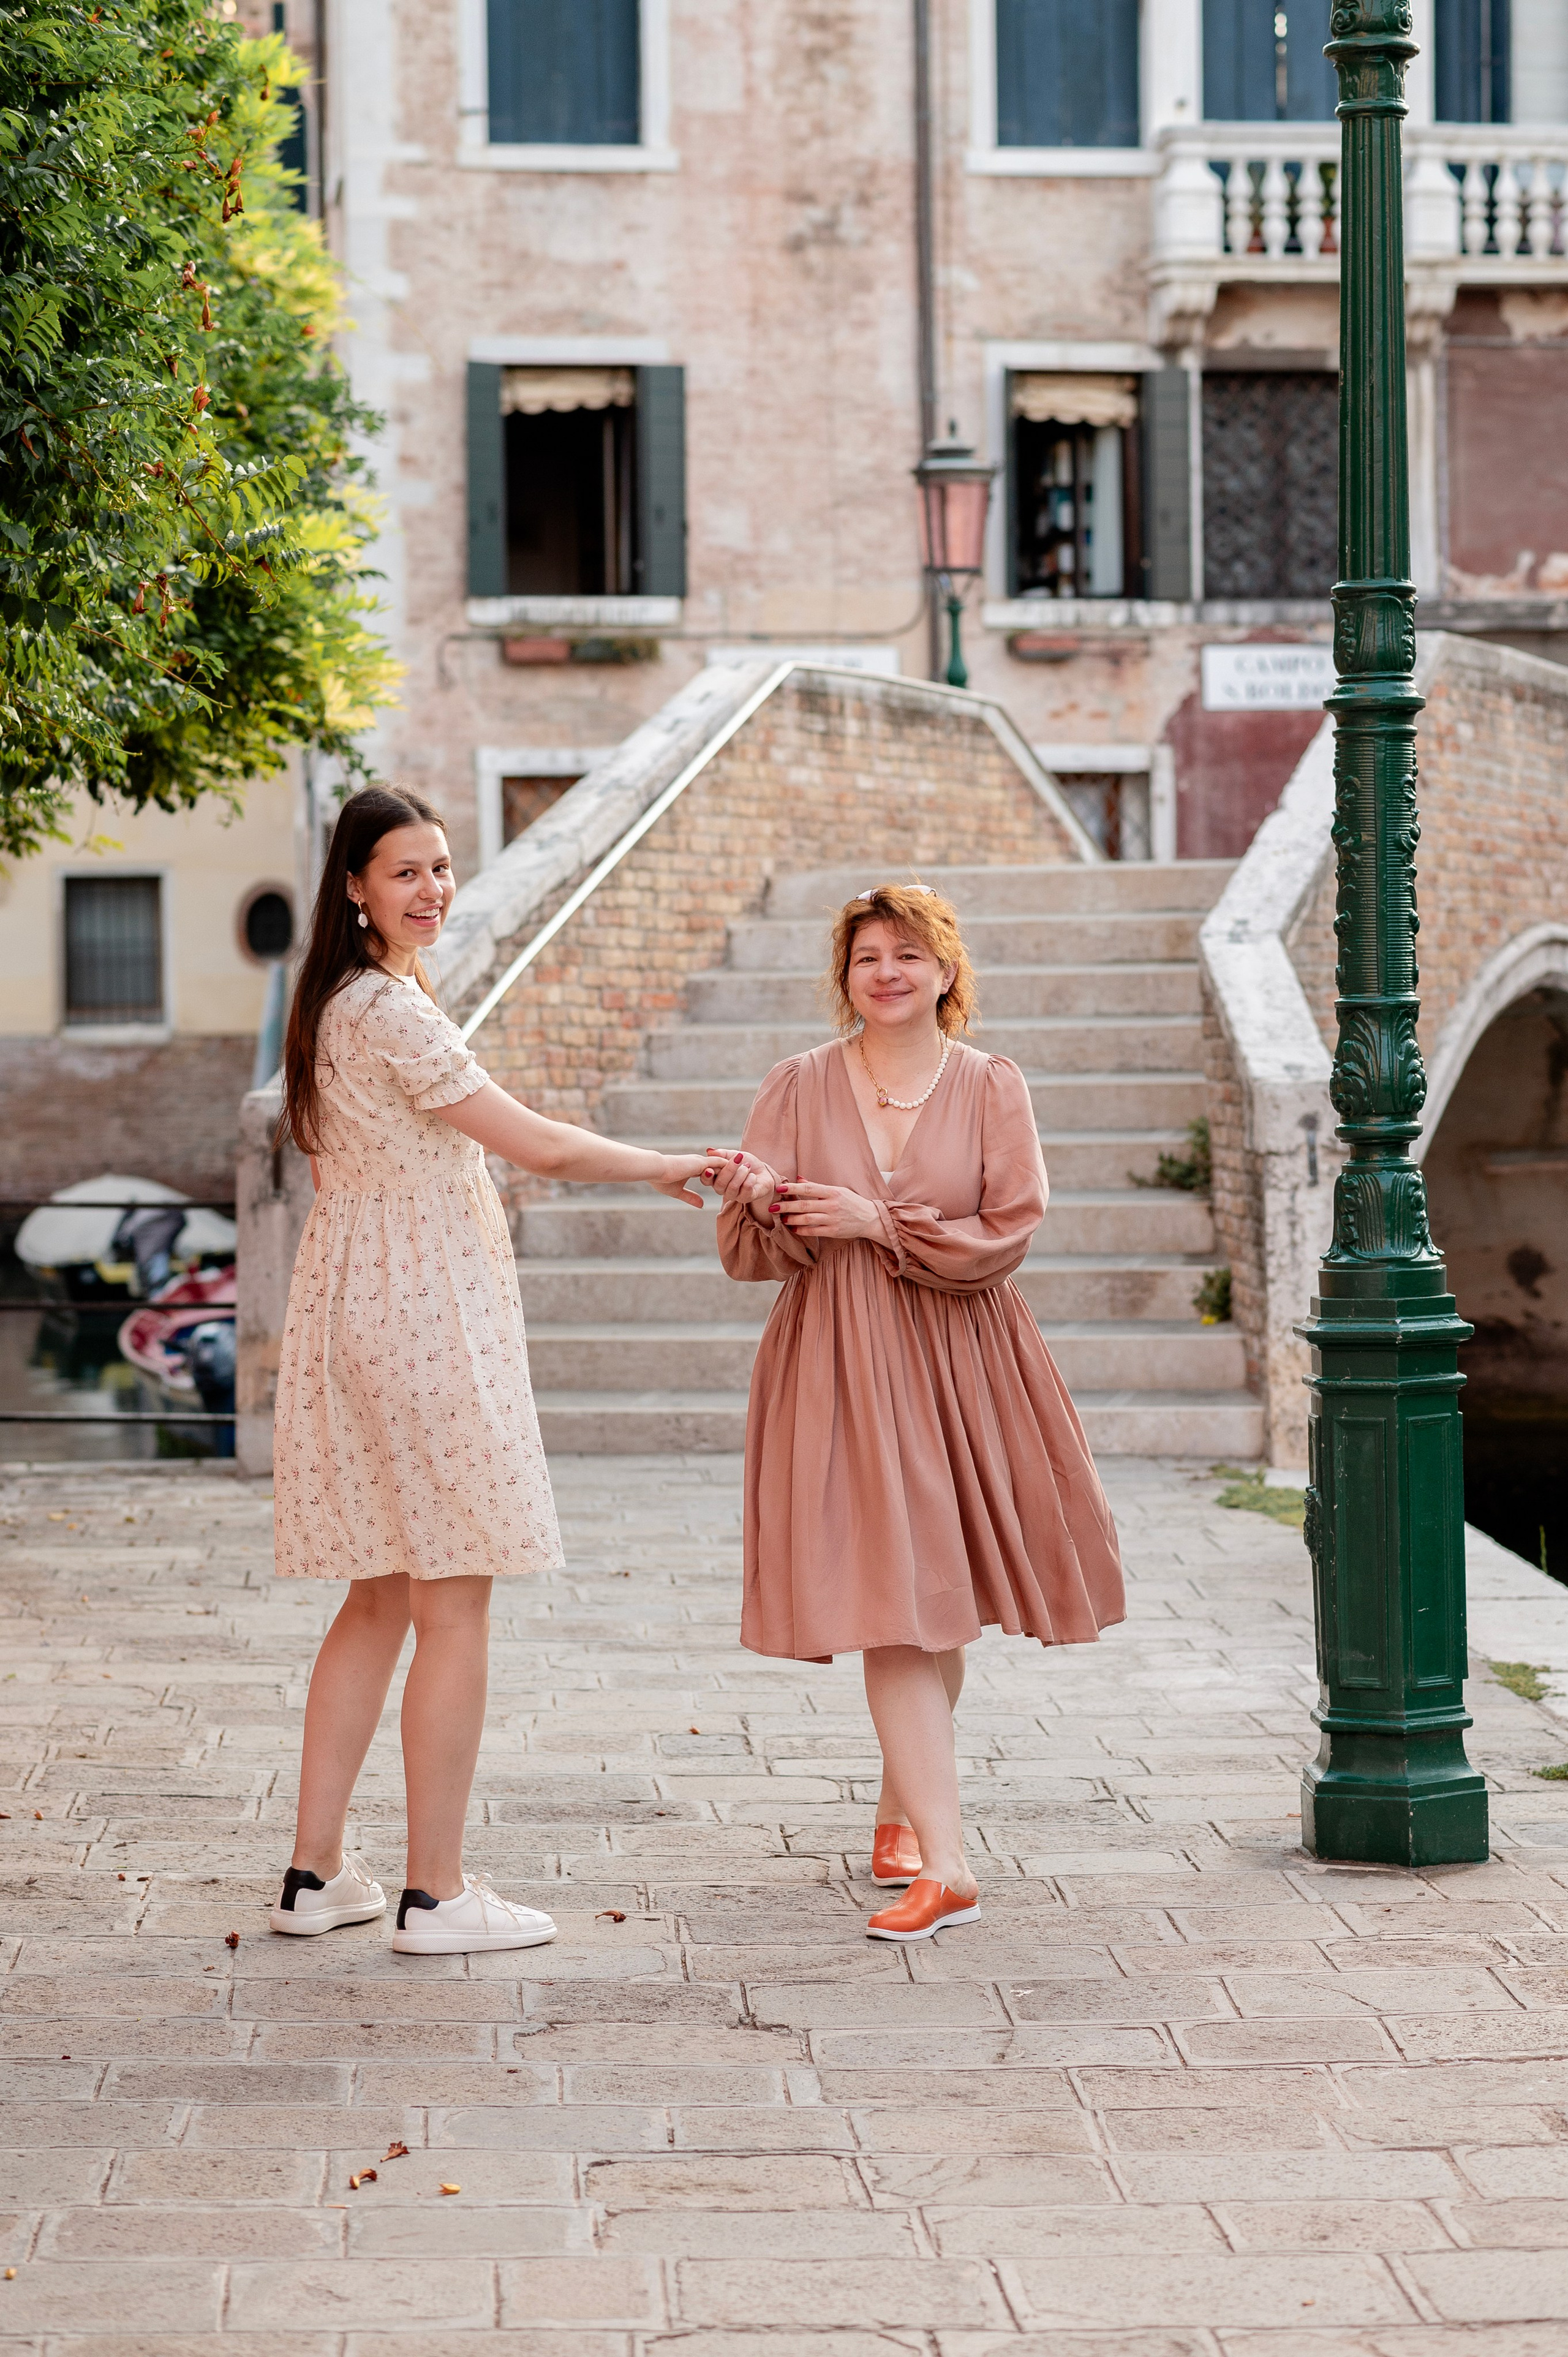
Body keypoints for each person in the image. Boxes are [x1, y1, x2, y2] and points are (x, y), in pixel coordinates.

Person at [267, 786, 768, 1956]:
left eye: (443, 868)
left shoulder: (335, 1007)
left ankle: (315, 1873)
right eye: (406, 872)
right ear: (354, 886)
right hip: (421, 1313)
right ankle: (435, 1894)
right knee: (454, 1592)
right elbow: (535, 1141)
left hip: (358, 1307)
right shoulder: (392, 1011)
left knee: (382, 1588)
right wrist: (670, 1165)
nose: (433, 889)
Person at [717, 881, 1125, 1941]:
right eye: (866, 959)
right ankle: (948, 1867)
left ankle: (905, 1818)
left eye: (907, 954)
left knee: (937, 1595)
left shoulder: (991, 1083)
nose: (886, 972)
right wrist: (773, 1208)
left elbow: (1009, 1229)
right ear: (844, 978)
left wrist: (876, 1221)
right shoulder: (797, 1085)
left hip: (965, 1354)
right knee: (895, 1601)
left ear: (946, 971)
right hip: (840, 1359)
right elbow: (747, 1253)